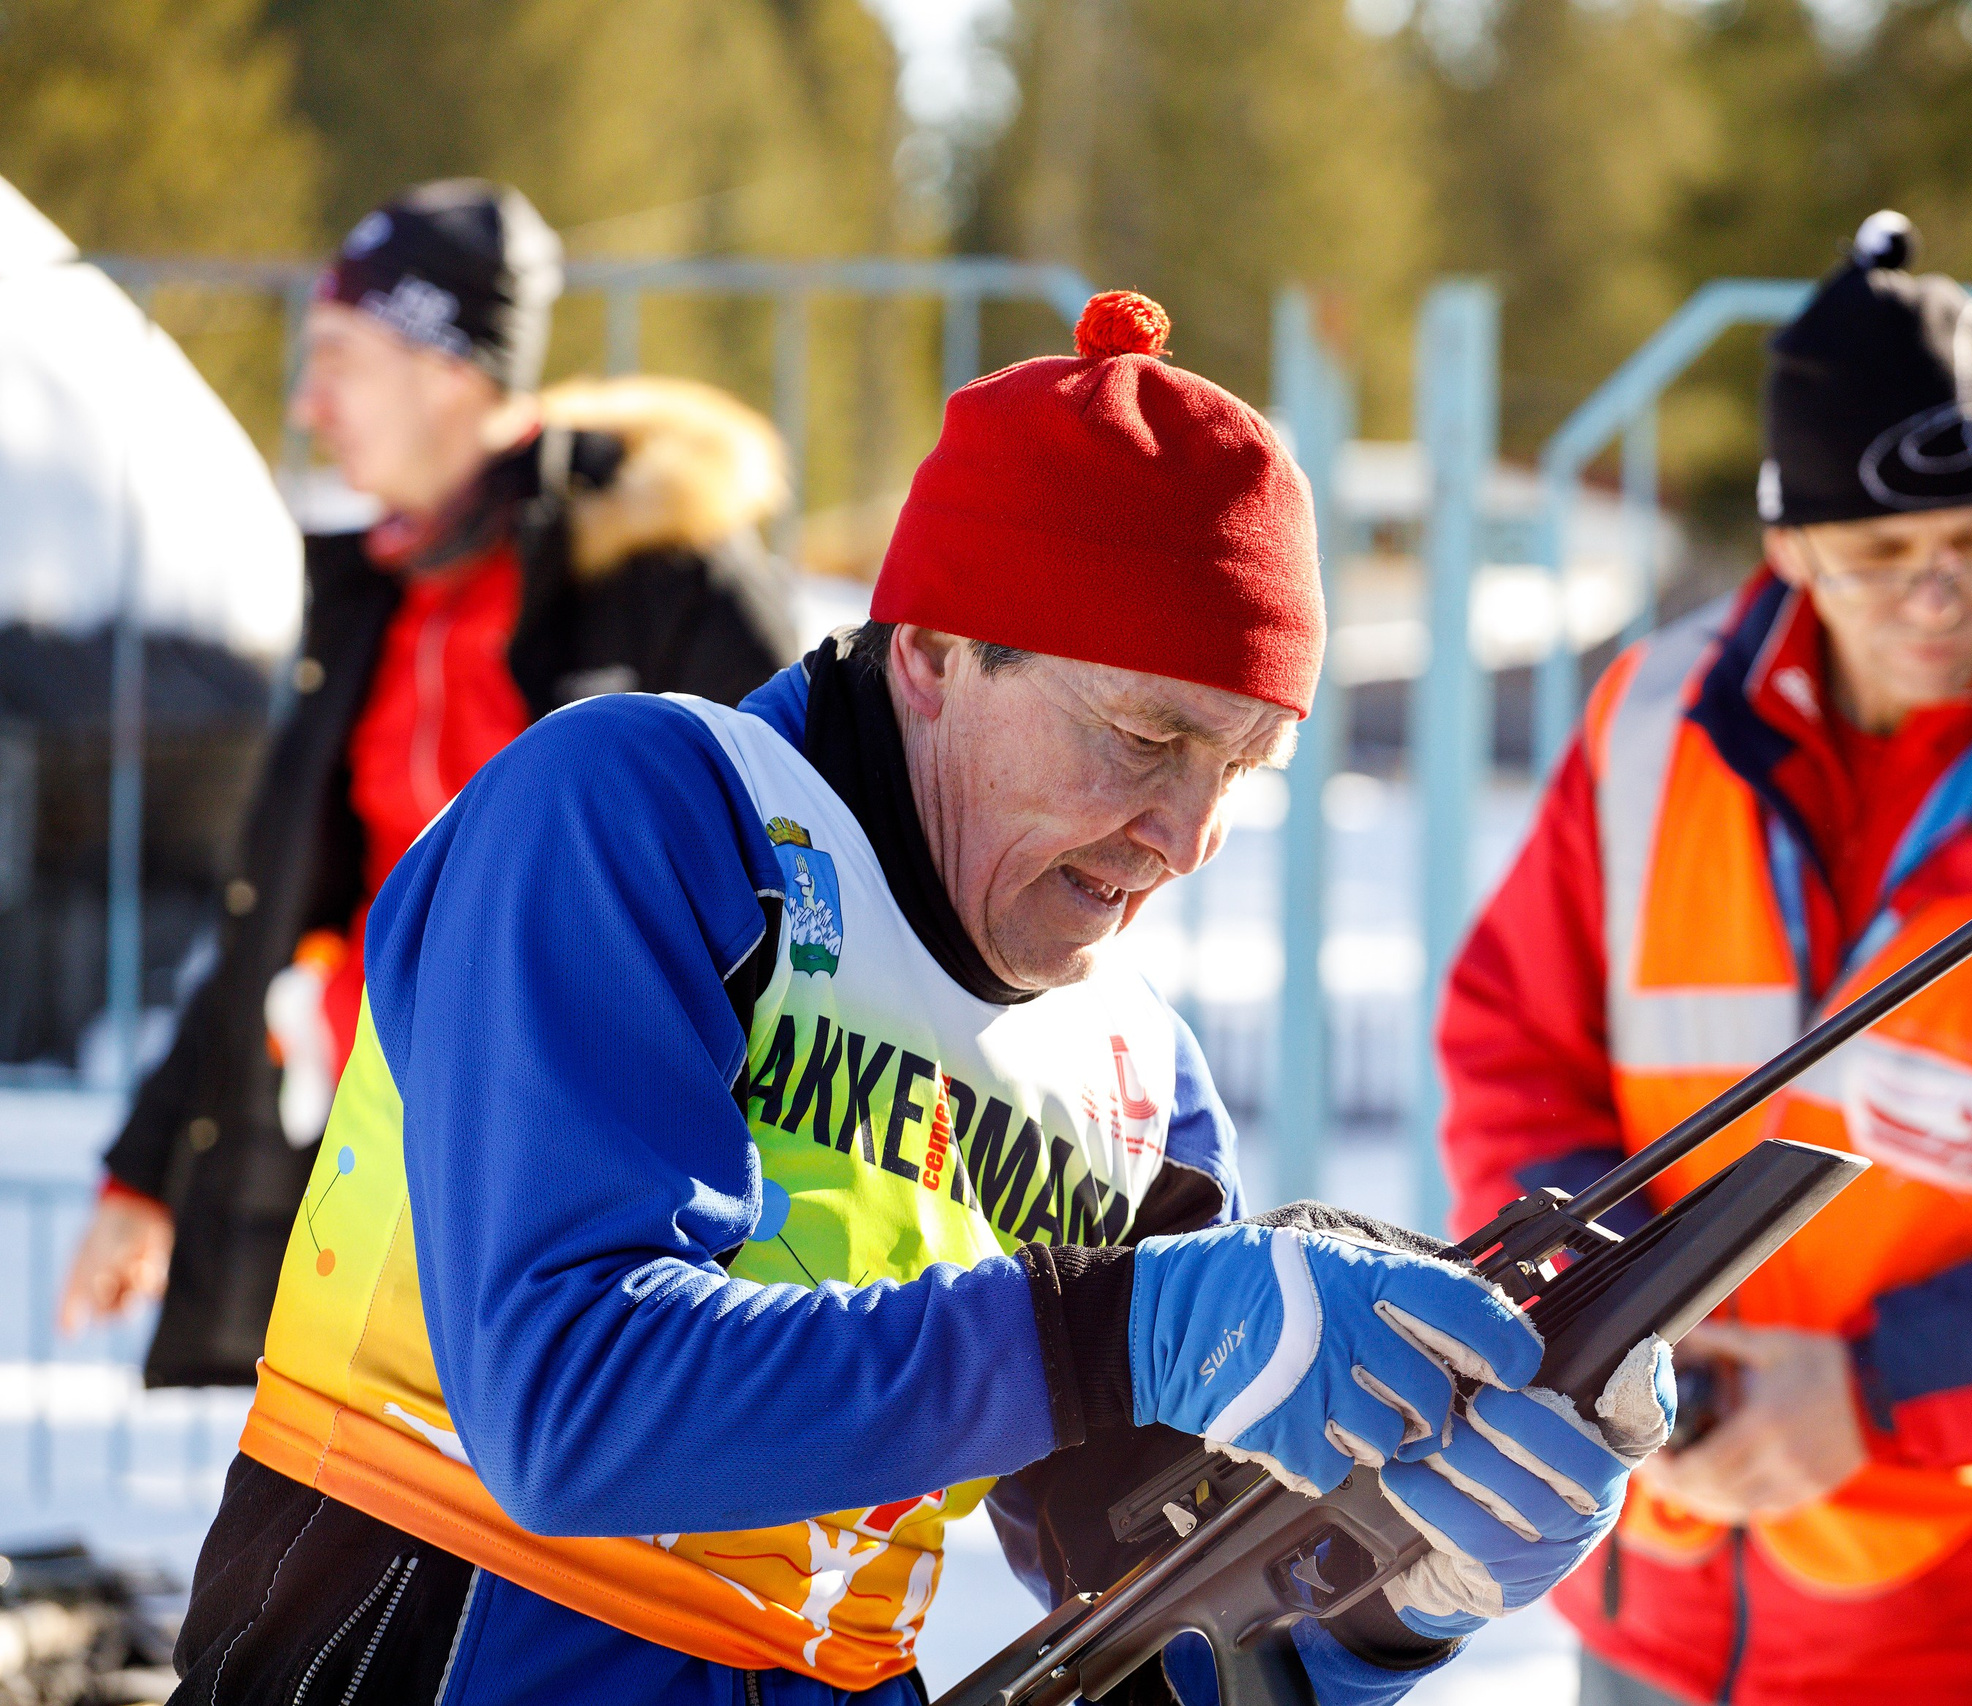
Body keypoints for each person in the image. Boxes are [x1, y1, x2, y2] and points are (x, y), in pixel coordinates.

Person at [162, 289, 1671, 1705]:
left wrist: (1398, 1580)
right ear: (942, 649)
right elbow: (571, 1404)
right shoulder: (640, 809)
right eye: (1148, 737)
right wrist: (1128, 1328)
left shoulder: (1136, 1072)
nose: (1189, 835)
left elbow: (1147, 1639)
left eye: (1243, 769)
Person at [1438, 213, 1972, 1706]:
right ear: (1789, 546)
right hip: (1649, 1576)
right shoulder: (1648, 723)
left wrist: (1875, 1395)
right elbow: (1514, 1050)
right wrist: (1619, 1303)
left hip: (1959, 1611)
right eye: (1883, 552)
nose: (1939, 596)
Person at [59, 178, 798, 1387]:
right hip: (376, 1165)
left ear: (450, 368)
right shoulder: (366, 597)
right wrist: (148, 1170)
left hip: (597, 1193)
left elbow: (810, 858)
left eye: (342, 356)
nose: (309, 402)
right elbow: (274, 911)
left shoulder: (662, 575)